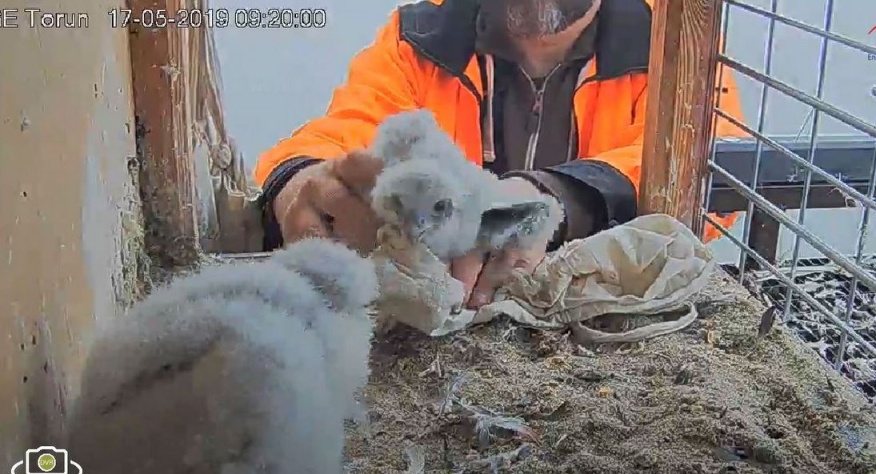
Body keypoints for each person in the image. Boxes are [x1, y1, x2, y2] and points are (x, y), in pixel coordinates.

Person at [253, 0, 745, 309]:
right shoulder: (416, 39)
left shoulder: (675, 43)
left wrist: (547, 198)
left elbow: (713, 175)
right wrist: (300, 185)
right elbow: (343, 134)